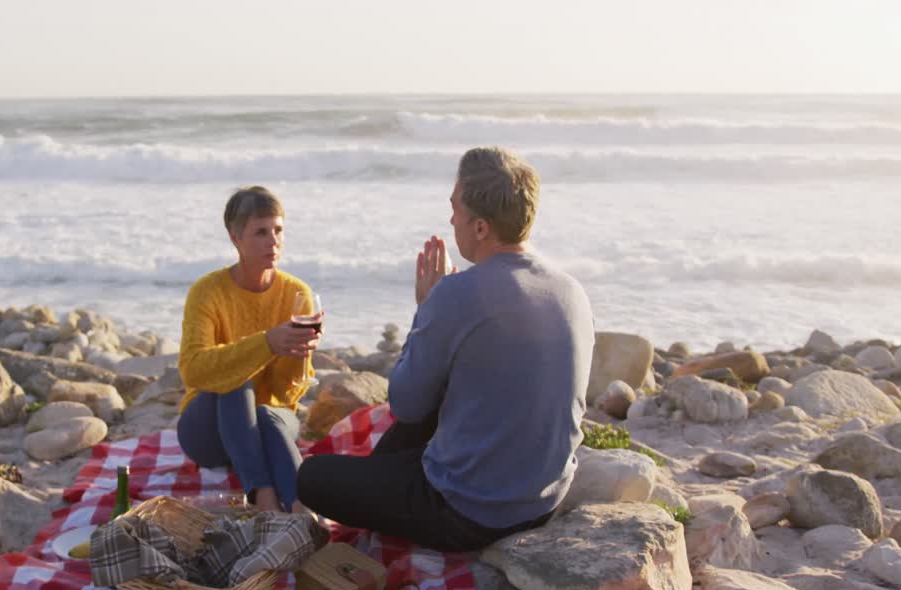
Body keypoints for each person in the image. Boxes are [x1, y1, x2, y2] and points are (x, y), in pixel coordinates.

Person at [296, 147, 594, 551]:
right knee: (437, 403)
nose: (451, 219)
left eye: (456, 209)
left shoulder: (457, 294)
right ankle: (383, 477)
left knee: (311, 478)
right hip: (544, 498)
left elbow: (405, 405)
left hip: (470, 513)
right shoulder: (570, 290)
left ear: (481, 228)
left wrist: (427, 310)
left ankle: (384, 489)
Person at [176, 186, 320, 513]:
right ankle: (265, 497)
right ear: (235, 237)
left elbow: (286, 393)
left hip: (269, 422)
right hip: (208, 431)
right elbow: (193, 370)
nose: (274, 241)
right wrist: (267, 343)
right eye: (261, 232)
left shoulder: (296, 293)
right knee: (235, 379)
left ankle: (302, 508)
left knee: (268, 414)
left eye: (278, 230)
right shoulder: (207, 291)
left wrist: (298, 356)